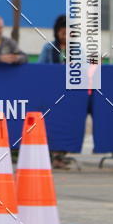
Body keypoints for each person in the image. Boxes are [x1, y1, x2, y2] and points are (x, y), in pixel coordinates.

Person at [38, 14, 71, 170]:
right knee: (50, 125)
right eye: (62, 31)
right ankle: (49, 154)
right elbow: (41, 68)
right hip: (50, 94)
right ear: (57, 32)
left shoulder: (78, 49)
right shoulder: (48, 48)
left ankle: (60, 156)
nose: (65, 35)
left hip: (69, 96)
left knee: (66, 124)